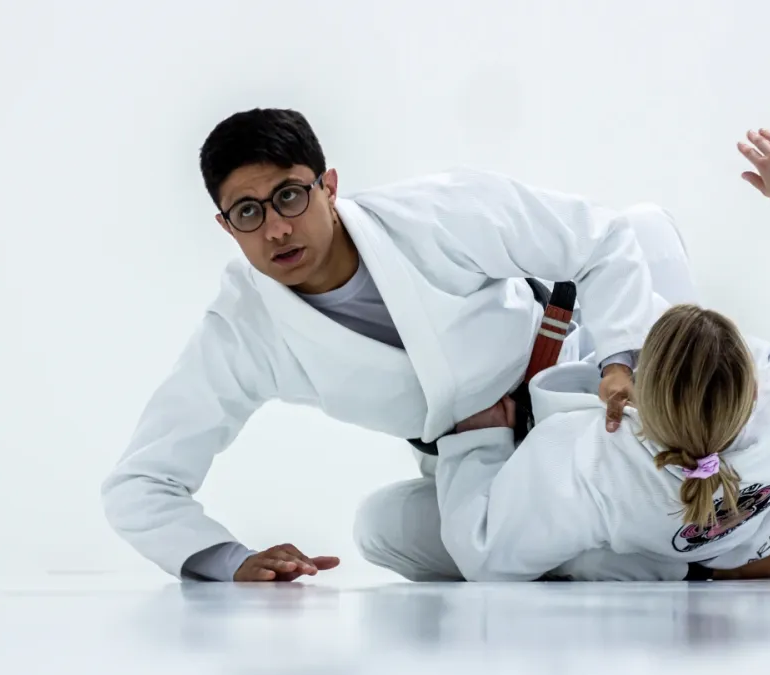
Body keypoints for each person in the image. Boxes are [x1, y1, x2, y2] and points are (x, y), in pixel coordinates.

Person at [101, 107, 694, 582]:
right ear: (226, 227)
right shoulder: (242, 329)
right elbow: (140, 483)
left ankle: (684, 496)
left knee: (644, 230)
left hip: (584, 381)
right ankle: (675, 548)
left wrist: (619, 361)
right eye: (248, 212)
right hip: (483, 461)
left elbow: (602, 239)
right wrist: (229, 561)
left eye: (289, 196)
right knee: (380, 529)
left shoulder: (434, 213)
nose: (277, 229)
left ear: (329, 187)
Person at [431, 128, 770, 582]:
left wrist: (477, 442)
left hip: (653, 541)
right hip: (758, 531)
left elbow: (486, 557)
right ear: (754, 383)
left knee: (396, 528)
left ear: (636, 384)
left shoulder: (591, 458)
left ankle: (705, 569)